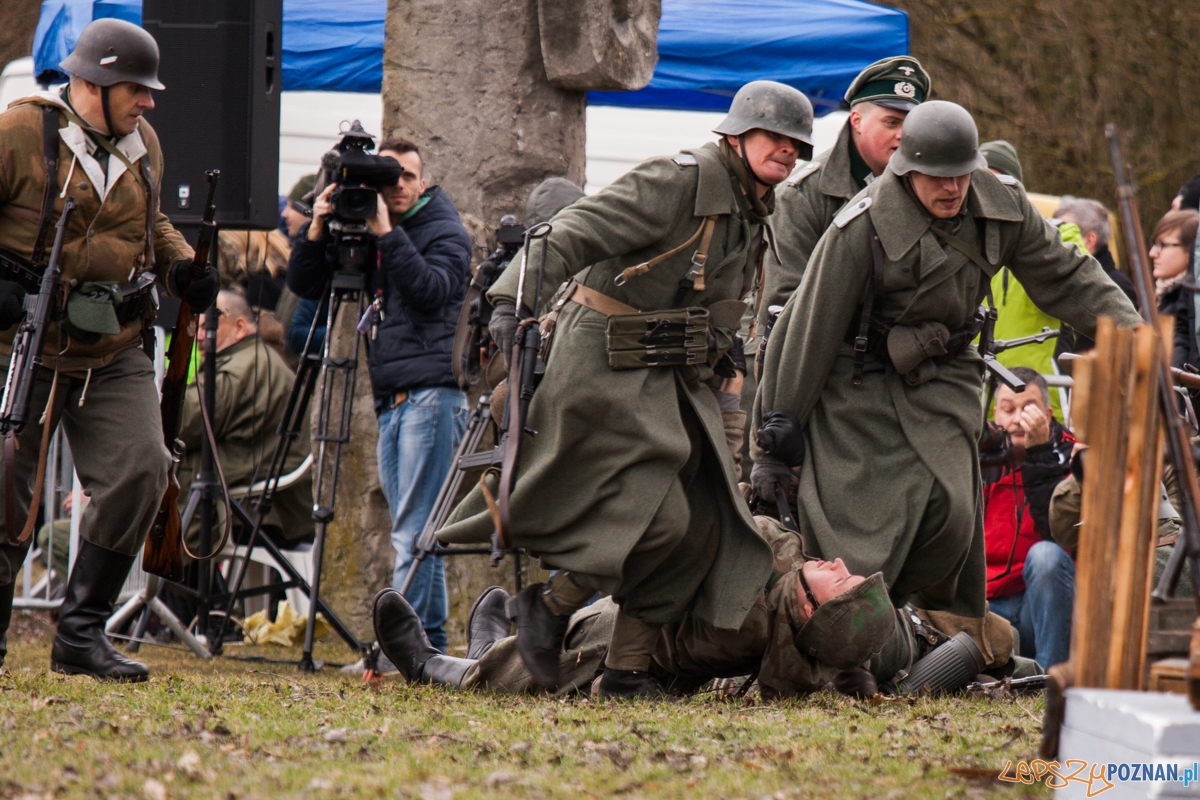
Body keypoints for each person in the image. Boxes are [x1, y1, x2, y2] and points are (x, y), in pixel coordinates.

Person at [437, 81, 814, 699]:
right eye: (775, 137)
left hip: (671, 378)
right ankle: (549, 606)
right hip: (605, 366)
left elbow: (723, 306)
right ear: (736, 135)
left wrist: (726, 371)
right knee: (656, 518)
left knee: (694, 531)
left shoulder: (755, 211)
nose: (787, 152)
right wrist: (511, 298)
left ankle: (624, 673)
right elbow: (577, 228)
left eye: (796, 145)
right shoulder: (680, 180)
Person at [752, 101, 1142, 626]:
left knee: (951, 510)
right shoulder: (860, 226)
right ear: (908, 170)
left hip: (946, 371)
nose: (952, 189)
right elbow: (807, 328)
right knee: (860, 524)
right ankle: (854, 633)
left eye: (961, 175)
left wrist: (1139, 339)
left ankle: (932, 629)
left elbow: (1067, 276)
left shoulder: (1002, 206)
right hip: (857, 378)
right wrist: (775, 431)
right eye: (937, 177)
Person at [0, 19, 218, 680]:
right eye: (137, 89)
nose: (149, 102)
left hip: (113, 341)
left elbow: (151, 223)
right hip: (23, 340)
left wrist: (183, 267)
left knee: (143, 468)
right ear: (92, 83)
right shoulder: (18, 133)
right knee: (3, 485)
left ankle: (81, 634)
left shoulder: (143, 142)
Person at [373, 516, 1035, 698]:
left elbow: (734, 540)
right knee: (558, 626)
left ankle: (441, 666)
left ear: (806, 612)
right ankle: (492, 633)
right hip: (642, 627)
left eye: (839, 581)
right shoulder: (785, 611)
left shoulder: (752, 607)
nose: (839, 565)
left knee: (533, 666)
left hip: (630, 648)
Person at [287, 136, 472, 654]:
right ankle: (428, 650)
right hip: (394, 400)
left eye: (407, 177)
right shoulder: (372, 228)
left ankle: (405, 651)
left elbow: (433, 290)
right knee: (415, 533)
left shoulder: (445, 231)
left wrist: (388, 234)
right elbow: (306, 284)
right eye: (388, 179)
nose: (397, 187)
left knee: (412, 532)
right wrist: (318, 227)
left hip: (432, 398)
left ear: (424, 180)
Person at [761, 56, 932, 322]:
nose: (903, 134)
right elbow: (782, 303)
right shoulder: (803, 195)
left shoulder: (931, 188)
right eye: (891, 122)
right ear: (857, 121)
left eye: (912, 124)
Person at [177, 290, 313, 549]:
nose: (200, 336)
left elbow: (180, 424)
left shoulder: (239, 368)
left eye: (209, 326)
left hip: (258, 511)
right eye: (196, 327)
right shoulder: (257, 358)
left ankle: (179, 578)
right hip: (279, 506)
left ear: (239, 327)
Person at [976, 140, 1080, 420]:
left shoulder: (1056, 233)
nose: (984, 190)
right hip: (981, 400)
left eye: (994, 179)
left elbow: (1070, 279)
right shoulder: (967, 236)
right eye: (977, 178)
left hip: (1040, 398)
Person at [982, 368, 1075, 670]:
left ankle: (1048, 679)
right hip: (988, 606)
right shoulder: (979, 453)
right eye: (1009, 409)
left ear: (1048, 415)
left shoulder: (1071, 455)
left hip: (1047, 610)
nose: (1018, 419)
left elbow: (1059, 532)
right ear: (996, 414)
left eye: (1029, 409)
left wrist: (1039, 455)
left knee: (1046, 555)